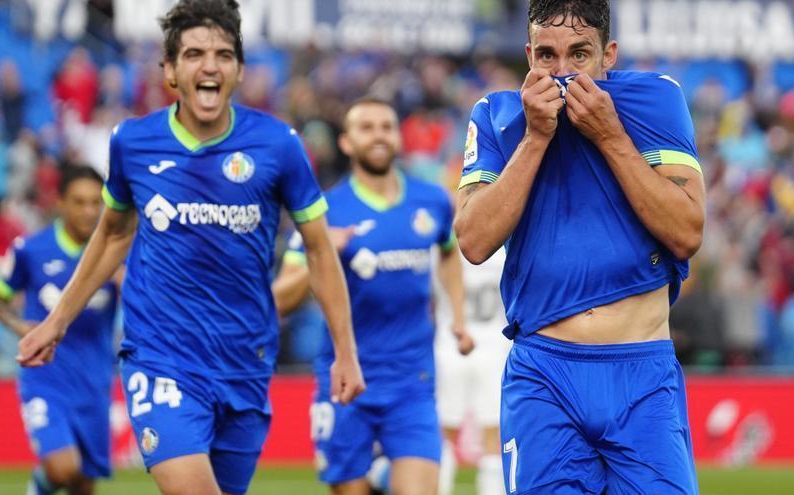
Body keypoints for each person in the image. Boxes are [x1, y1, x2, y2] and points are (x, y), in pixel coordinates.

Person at [16, 2, 365, 495]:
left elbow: (319, 250)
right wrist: (57, 321)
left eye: (224, 55)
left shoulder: (277, 145)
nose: (209, 65)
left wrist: (345, 352)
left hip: (244, 362)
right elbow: (114, 234)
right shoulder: (133, 143)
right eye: (194, 53)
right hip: (162, 359)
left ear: (240, 71)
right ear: (171, 70)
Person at [454, 0, 706, 493]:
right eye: (547, 56)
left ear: (608, 54)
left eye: (580, 54)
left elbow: (687, 231)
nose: (563, 72)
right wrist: (535, 138)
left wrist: (610, 134)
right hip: (543, 376)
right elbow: (474, 241)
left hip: (641, 373)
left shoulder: (656, 100)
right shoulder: (496, 115)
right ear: (528, 55)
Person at [274, 98, 474, 495]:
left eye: (386, 126)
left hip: (412, 382)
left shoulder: (431, 200)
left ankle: (384, 474)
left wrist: (458, 316)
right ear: (346, 143)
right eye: (366, 127)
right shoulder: (323, 211)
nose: (379, 135)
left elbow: (450, 253)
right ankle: (375, 476)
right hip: (347, 381)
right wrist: (323, 253)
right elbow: (281, 299)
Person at [0, 166, 118, 495]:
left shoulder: (114, 253)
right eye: (79, 202)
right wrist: (19, 326)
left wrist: (129, 282)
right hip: (46, 378)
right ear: (59, 202)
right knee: (62, 468)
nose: (89, 211)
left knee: (83, 485)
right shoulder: (31, 250)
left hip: (94, 381)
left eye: (95, 203)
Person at [433, 248, 509, 495]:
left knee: (444, 434)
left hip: (451, 343)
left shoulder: (444, 249)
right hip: (494, 345)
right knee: (493, 437)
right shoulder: (502, 250)